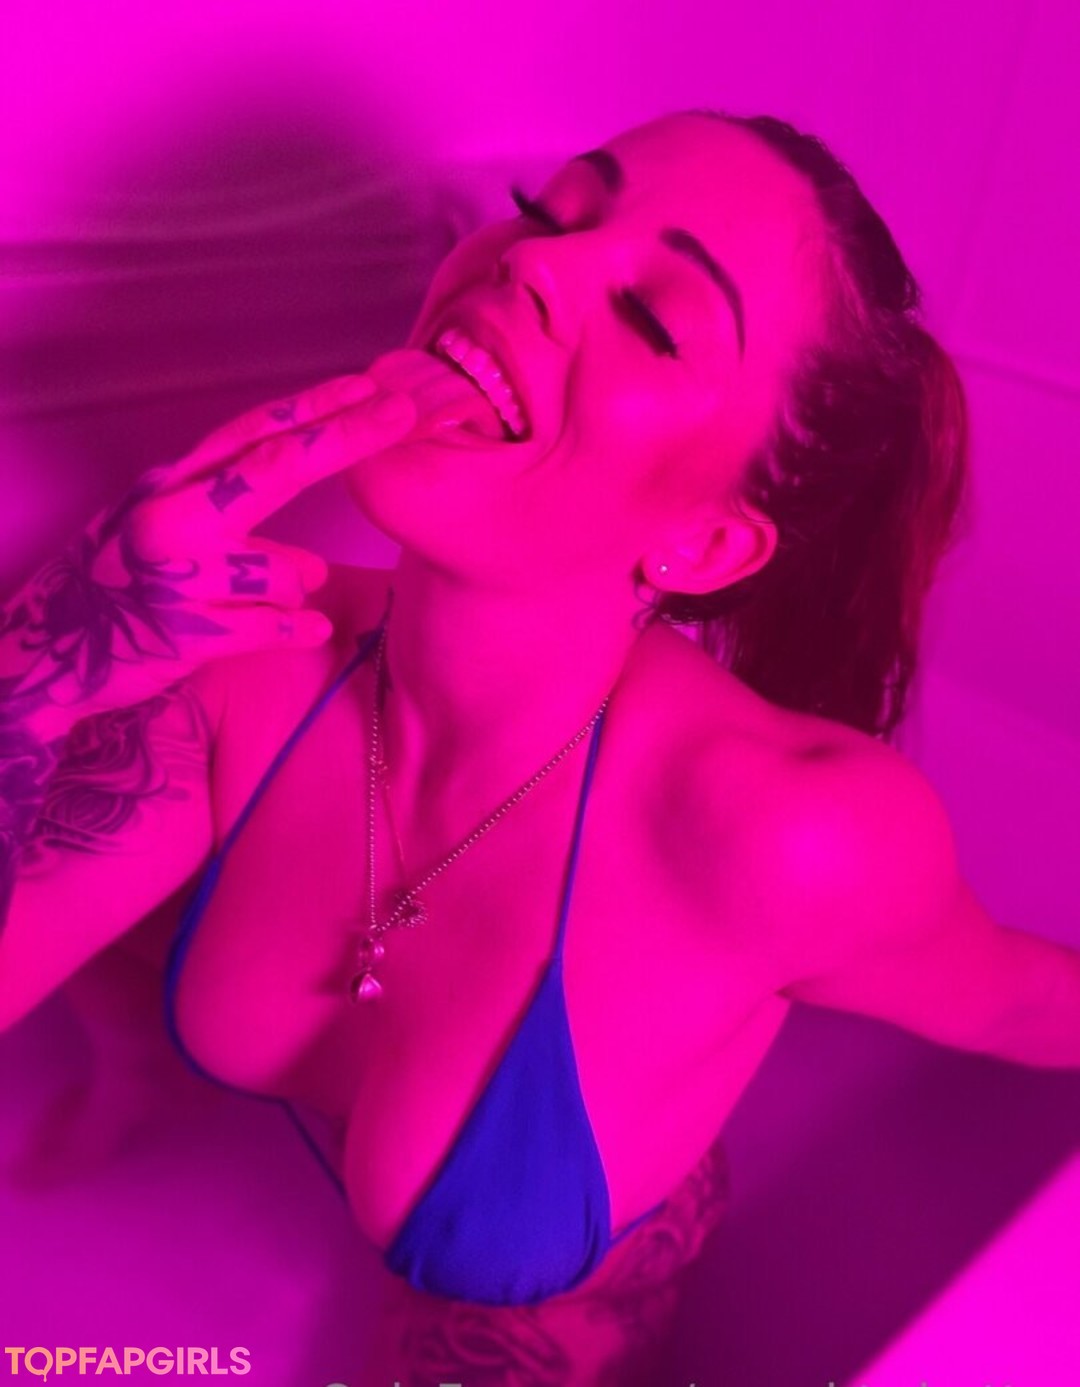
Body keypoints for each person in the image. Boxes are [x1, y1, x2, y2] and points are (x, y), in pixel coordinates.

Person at [3, 107, 1079, 1386]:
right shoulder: (234, 651)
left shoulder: (784, 833)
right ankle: (140, 1075)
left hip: (559, 1282)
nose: (531, 260)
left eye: (653, 319)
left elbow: (1016, 999)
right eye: (548, 209)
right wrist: (43, 654)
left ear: (705, 545)